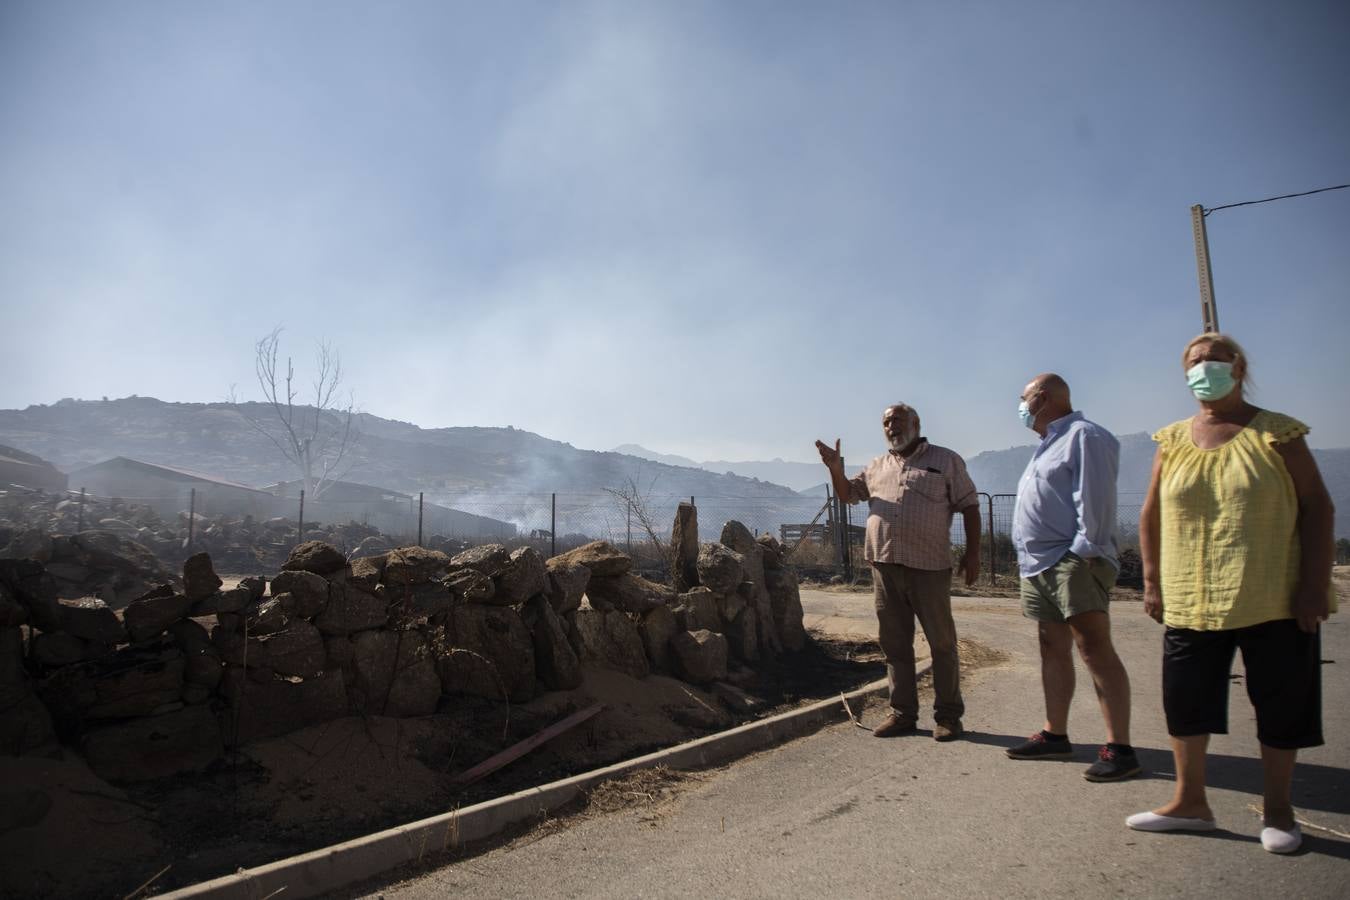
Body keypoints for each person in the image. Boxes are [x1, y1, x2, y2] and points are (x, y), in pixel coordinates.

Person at [1127, 333, 1335, 854]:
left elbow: (1317, 507)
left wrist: (1313, 585)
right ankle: (1189, 801)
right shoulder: (1171, 440)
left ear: (1238, 367)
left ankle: (1280, 810)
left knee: (1280, 701)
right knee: (1186, 700)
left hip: (1273, 595)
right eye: (1194, 362)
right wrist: (1151, 582)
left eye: (1214, 360)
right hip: (1191, 598)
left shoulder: (1277, 433)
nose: (1203, 369)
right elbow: (1150, 515)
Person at [816, 403, 981, 742]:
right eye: (886, 422)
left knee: (942, 644)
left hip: (929, 568)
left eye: (898, 420)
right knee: (895, 645)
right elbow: (848, 494)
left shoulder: (945, 460)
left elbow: (970, 504)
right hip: (885, 568)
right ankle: (903, 714)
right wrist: (834, 468)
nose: (892, 426)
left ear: (916, 424)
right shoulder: (877, 466)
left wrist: (974, 553)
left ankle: (949, 717)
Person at [1005, 374, 1139, 781]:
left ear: (1043, 398)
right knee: (1052, 647)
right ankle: (1055, 733)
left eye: (1024, 398)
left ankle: (1120, 748)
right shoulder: (1048, 444)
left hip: (1072, 560)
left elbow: (1094, 496)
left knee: (1093, 647)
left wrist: (1084, 552)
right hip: (1039, 563)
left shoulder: (1084, 436)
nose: (1021, 405)